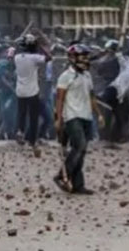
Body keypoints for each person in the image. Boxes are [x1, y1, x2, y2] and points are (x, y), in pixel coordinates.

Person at [53, 44, 104, 194]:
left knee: (81, 151)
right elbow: (60, 99)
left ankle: (78, 185)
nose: (86, 60)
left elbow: (91, 97)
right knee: (79, 146)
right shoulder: (65, 76)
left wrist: (99, 114)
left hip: (86, 116)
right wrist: (58, 118)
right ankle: (62, 175)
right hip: (72, 116)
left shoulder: (87, 75)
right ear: (72, 58)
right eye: (83, 57)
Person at [14, 34, 50, 156]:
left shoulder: (17, 57)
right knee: (33, 117)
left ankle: (20, 131)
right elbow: (49, 58)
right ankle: (33, 142)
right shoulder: (34, 57)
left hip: (20, 90)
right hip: (32, 91)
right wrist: (40, 45)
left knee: (21, 113)